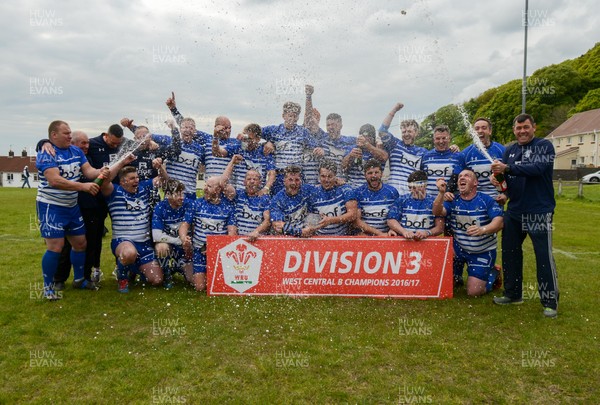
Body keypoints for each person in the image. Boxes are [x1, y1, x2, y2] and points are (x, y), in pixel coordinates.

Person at [491, 113, 559, 318]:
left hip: (539, 211)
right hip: (514, 211)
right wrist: (503, 189)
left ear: (534, 127)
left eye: (526, 127)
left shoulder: (544, 146)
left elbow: (537, 169)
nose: (522, 131)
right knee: (510, 253)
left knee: (543, 256)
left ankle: (550, 303)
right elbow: (509, 179)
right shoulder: (509, 150)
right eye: (518, 128)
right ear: (514, 130)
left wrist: (508, 168)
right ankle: (513, 294)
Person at [35, 121, 109, 300]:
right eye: (66, 133)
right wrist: (83, 187)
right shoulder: (46, 152)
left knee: (80, 243)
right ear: (54, 135)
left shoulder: (75, 151)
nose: (70, 136)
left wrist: (101, 171)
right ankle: (48, 287)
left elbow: (89, 171)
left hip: (71, 206)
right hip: (51, 206)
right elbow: (55, 181)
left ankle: (78, 280)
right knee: (56, 246)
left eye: (70, 133)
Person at [433, 169, 504, 296]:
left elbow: (499, 222)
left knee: (473, 292)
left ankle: (493, 274)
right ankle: (456, 276)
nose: (462, 178)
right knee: (444, 283)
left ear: (475, 183)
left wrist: (483, 229)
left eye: (467, 176)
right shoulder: (453, 200)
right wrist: (441, 193)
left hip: (482, 251)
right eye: (460, 176)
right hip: (459, 249)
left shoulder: (486, 200)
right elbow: (437, 212)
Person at [101, 160, 168, 293]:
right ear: (122, 181)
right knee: (129, 253)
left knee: (157, 280)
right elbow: (103, 183)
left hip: (143, 243)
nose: (136, 180)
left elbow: (164, 181)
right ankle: (123, 278)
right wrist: (121, 164)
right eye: (132, 178)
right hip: (123, 241)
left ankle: (134, 268)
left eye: (137, 177)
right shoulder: (114, 191)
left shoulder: (144, 187)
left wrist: (160, 167)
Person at [54, 131, 103, 291]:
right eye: (83, 143)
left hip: (90, 207)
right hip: (69, 207)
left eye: (88, 143)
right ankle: (59, 279)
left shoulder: (87, 158)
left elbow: (95, 175)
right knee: (64, 245)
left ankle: (84, 277)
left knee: (87, 244)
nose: (87, 146)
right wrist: (43, 142)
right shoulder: (62, 157)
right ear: (73, 143)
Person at [179, 176, 237, 292]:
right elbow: (184, 225)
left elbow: (232, 233)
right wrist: (183, 238)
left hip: (219, 252)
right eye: (205, 185)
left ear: (218, 190)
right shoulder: (196, 204)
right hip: (199, 250)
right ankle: (187, 267)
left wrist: (216, 248)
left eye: (209, 186)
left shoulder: (228, 207)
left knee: (219, 286)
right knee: (200, 287)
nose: (205, 188)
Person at [262, 100, 324, 195]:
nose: (292, 119)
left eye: (295, 116)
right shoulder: (274, 130)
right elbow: (253, 132)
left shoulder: (303, 132)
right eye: (290, 115)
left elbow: (316, 146)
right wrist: (267, 143)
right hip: (280, 177)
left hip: (297, 176)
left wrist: (319, 150)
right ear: (283, 116)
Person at [152, 179, 193, 288]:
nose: (181, 197)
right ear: (168, 194)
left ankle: (179, 266)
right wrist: (178, 241)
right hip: (171, 244)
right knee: (161, 247)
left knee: (191, 279)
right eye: (177, 194)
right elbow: (156, 236)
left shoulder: (188, 204)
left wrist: (186, 242)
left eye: (182, 193)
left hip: (185, 246)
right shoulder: (160, 207)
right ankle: (167, 274)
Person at [379, 103, 428, 195]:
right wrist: (394, 110)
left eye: (409, 131)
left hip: (411, 195)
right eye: (404, 131)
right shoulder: (394, 144)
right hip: (392, 193)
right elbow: (382, 130)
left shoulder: (423, 152)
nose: (406, 134)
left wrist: (452, 148)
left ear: (416, 133)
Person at [212, 123, 276, 193]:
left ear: (258, 139)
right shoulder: (239, 148)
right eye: (245, 139)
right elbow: (217, 153)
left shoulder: (265, 152)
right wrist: (215, 137)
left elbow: (272, 174)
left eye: (250, 139)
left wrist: (266, 188)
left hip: (257, 195)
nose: (246, 142)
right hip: (239, 194)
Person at [454, 117, 505, 200]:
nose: (480, 131)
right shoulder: (465, 153)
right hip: (473, 200)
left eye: (484, 128)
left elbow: (510, 175)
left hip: (496, 199)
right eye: (477, 129)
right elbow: (456, 177)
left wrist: (505, 195)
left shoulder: (502, 150)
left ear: (490, 131)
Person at [387, 170, 444, 239]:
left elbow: (440, 227)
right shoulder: (402, 200)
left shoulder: (434, 202)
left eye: (414, 187)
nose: (411, 190)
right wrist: (404, 232)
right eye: (410, 187)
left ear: (424, 185)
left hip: (426, 244)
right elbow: (391, 220)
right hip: (405, 242)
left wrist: (427, 233)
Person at [308, 160, 358, 235]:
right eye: (323, 176)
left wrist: (330, 220)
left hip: (341, 239)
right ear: (319, 176)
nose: (326, 180)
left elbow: (353, 215)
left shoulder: (345, 189)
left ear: (335, 176)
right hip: (320, 239)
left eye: (330, 176)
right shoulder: (313, 193)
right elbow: (311, 221)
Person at [270, 165, 319, 237]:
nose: (294, 183)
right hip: (286, 239)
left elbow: (323, 188)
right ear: (284, 181)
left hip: (306, 236)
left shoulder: (307, 190)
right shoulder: (277, 200)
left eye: (297, 180)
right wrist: (299, 232)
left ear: (301, 181)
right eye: (290, 180)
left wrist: (339, 182)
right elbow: (277, 225)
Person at [353, 159, 399, 235]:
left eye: (376, 172)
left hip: (387, 235)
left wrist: (392, 229)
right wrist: (379, 234)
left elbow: (397, 215)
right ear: (365, 175)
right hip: (366, 235)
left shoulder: (392, 192)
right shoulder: (358, 193)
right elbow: (356, 221)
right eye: (370, 173)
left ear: (381, 174)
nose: (373, 176)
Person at [420, 125, 459, 196]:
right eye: (438, 138)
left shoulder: (457, 156)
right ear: (433, 140)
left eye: (444, 138)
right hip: (429, 202)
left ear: (449, 139)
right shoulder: (426, 156)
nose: (441, 141)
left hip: (450, 202)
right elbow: (422, 179)